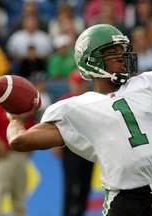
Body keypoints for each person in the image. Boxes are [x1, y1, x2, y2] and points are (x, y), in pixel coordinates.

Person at [6, 13, 152, 216]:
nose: (122, 56)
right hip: (125, 204)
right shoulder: (74, 108)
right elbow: (19, 141)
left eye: (122, 49)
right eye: (112, 52)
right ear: (89, 61)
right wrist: (15, 120)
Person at [53, 70, 94, 216]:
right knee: (69, 184)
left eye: (82, 83)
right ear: (71, 84)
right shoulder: (64, 102)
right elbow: (55, 125)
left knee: (85, 185)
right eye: (78, 83)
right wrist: (57, 145)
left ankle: (80, 212)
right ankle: (66, 213)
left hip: (89, 149)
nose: (80, 86)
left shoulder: (92, 101)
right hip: (70, 149)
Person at [0, 104, 35, 216]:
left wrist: (29, 149)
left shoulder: (24, 111)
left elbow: (32, 131)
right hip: (5, 156)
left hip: (20, 156)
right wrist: (0, 145)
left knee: (19, 192)